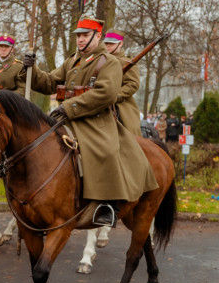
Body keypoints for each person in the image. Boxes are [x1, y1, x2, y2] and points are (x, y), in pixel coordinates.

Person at [23, 16, 157, 227]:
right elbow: (49, 82)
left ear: (97, 36)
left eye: (85, 35)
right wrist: (31, 69)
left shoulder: (109, 62)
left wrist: (69, 106)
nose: (81, 40)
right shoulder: (72, 61)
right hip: (66, 117)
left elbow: (106, 94)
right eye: (78, 36)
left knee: (106, 151)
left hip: (95, 120)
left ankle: (108, 203)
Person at [102, 30, 142, 137]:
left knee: (130, 134)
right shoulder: (100, 61)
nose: (108, 46)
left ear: (120, 43)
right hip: (99, 102)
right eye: (106, 43)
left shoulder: (126, 62)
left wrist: (114, 95)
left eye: (111, 43)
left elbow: (133, 84)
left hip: (120, 105)